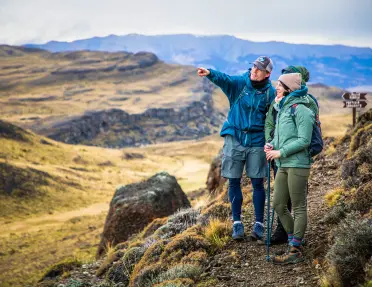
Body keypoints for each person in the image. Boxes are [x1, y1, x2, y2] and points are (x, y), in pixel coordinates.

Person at [198, 56, 276, 240]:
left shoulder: (270, 93)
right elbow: (225, 79)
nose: (254, 71)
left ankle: (259, 224)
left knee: (257, 182)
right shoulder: (240, 83)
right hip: (235, 137)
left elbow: (273, 117)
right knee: (233, 181)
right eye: (254, 67)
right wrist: (210, 73)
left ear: (267, 74)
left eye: (259, 69)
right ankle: (237, 224)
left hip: (257, 140)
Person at [265, 73, 315, 264]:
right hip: (283, 163)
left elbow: (304, 140)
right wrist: (271, 145)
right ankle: (295, 239)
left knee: (299, 205)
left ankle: (295, 250)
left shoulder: (301, 109)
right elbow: (282, 136)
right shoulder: (283, 108)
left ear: (288, 88)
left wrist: (280, 152)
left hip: (297, 164)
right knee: (279, 204)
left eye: (279, 84)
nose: (276, 86)